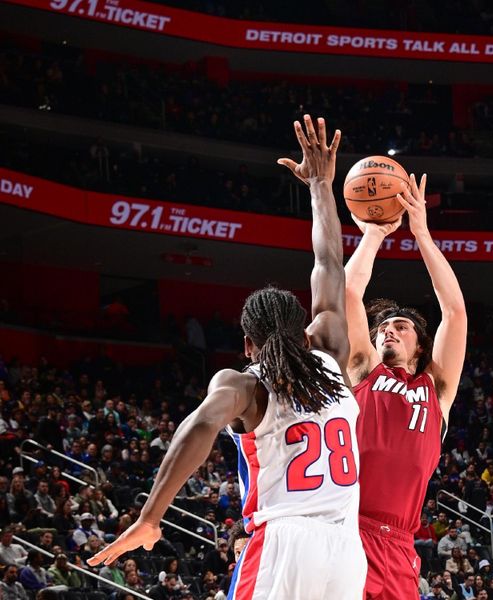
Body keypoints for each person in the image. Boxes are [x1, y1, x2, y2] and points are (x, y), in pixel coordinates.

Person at [89, 115, 367, 599]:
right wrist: (321, 184)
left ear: (247, 344)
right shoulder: (330, 350)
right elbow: (328, 263)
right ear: (303, 331)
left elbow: (198, 426)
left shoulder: (245, 385)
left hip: (285, 541)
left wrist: (150, 516)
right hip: (346, 550)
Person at [345, 170, 467, 598]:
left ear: (420, 345)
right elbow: (347, 292)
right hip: (344, 529)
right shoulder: (362, 371)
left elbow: (454, 312)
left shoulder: (437, 389)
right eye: (383, 329)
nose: (389, 332)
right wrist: (374, 234)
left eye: (401, 327)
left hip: (398, 543)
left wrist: (421, 233)